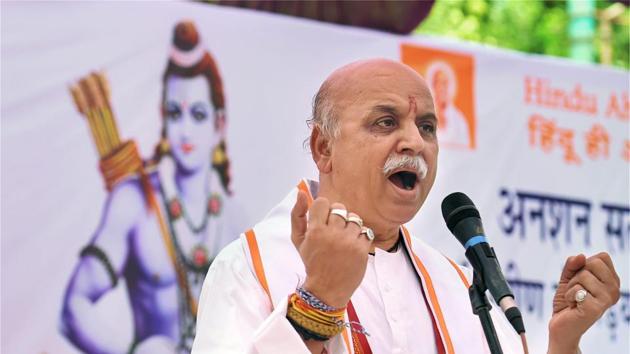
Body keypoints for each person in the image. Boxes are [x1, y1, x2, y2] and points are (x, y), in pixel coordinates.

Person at [192, 59, 620, 353]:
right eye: (386, 122)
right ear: (324, 149)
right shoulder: (253, 264)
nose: (415, 142)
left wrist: (564, 343)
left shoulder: (454, 284)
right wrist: (318, 300)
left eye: (427, 127)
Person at [61, 21, 242, 353]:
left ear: (219, 124)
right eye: (175, 114)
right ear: (163, 118)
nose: (185, 131)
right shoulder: (134, 202)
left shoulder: (233, 219)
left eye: (198, 115)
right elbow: (76, 306)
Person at [426, 61, 470, 148]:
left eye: (445, 83)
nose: (442, 88)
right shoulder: (424, 115)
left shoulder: (459, 120)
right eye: (438, 83)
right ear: (432, 85)